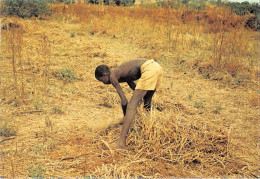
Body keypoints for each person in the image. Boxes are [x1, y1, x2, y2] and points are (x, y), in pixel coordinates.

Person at [95, 58, 162, 149]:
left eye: (101, 80)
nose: (102, 83)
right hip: (156, 67)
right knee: (146, 101)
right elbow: (133, 85)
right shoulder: (122, 72)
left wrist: (125, 116)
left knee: (132, 104)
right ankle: (147, 130)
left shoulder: (112, 76)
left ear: (104, 75)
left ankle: (121, 143)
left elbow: (124, 101)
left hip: (149, 68)